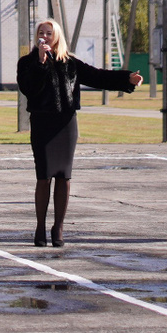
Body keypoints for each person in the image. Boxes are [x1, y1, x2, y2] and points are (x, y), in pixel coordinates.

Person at [16, 17, 140, 247]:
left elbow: (98, 76)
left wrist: (127, 78)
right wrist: (41, 62)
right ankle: (40, 227)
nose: (44, 37)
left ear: (57, 37)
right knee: (43, 176)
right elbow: (28, 89)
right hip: (42, 124)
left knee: (64, 176)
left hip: (66, 125)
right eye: (41, 33)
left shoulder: (70, 63)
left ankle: (58, 227)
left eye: (49, 33)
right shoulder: (27, 63)